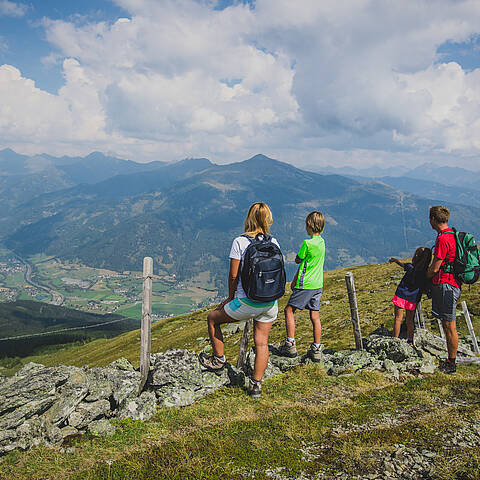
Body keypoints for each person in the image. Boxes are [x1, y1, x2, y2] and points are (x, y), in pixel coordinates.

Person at [199, 202, 280, 398]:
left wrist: (230, 297)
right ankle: (255, 386)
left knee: (212, 318)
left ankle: (218, 360)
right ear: (267, 219)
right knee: (262, 343)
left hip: (246, 302)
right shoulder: (274, 242)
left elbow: (233, 275)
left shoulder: (240, 242)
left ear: (249, 218)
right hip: (270, 303)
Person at [278, 211, 325, 362]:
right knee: (314, 316)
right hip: (318, 284)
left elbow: (299, 260)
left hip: (306, 284)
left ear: (309, 225)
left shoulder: (307, 243)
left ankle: (290, 344)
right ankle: (317, 347)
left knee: (289, 310)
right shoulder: (322, 242)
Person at [426, 205, 461, 374]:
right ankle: (450, 360)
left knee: (449, 325)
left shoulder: (442, 239)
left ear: (433, 220)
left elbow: (435, 267)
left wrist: (425, 276)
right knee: (447, 324)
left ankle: (451, 364)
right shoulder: (452, 234)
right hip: (452, 284)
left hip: (446, 285)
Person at [388, 247, 432, 343]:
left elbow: (401, 264)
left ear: (416, 257)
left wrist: (394, 260)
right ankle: (410, 340)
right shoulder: (426, 273)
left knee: (398, 319)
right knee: (409, 321)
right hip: (413, 299)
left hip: (401, 295)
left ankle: (394, 340)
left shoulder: (410, 267)